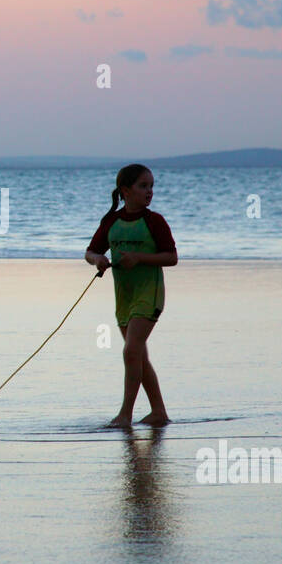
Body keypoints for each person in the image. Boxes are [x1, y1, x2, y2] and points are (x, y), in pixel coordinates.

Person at [84, 164, 178, 428]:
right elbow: (90, 251)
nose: (149, 192)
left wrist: (139, 258)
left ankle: (125, 414)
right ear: (125, 191)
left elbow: (172, 257)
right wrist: (98, 260)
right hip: (124, 297)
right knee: (137, 355)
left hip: (150, 294)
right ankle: (159, 412)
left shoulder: (154, 221)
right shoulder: (111, 221)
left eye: (151, 186)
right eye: (143, 186)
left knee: (131, 351)